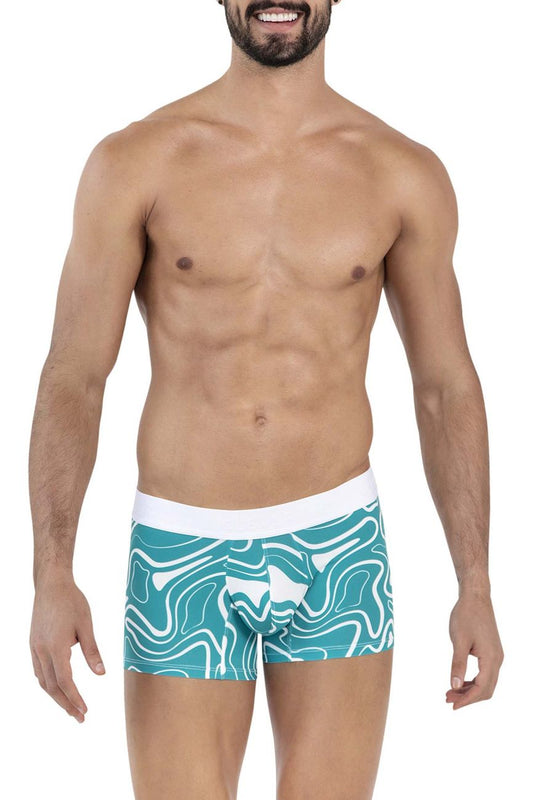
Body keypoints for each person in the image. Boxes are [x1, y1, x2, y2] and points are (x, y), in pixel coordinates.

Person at [28, 2, 504, 798]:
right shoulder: (136, 161)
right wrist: (51, 573)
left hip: (337, 546)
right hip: (183, 549)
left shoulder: (399, 171)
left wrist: (476, 586)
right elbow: (73, 375)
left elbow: (444, 385)